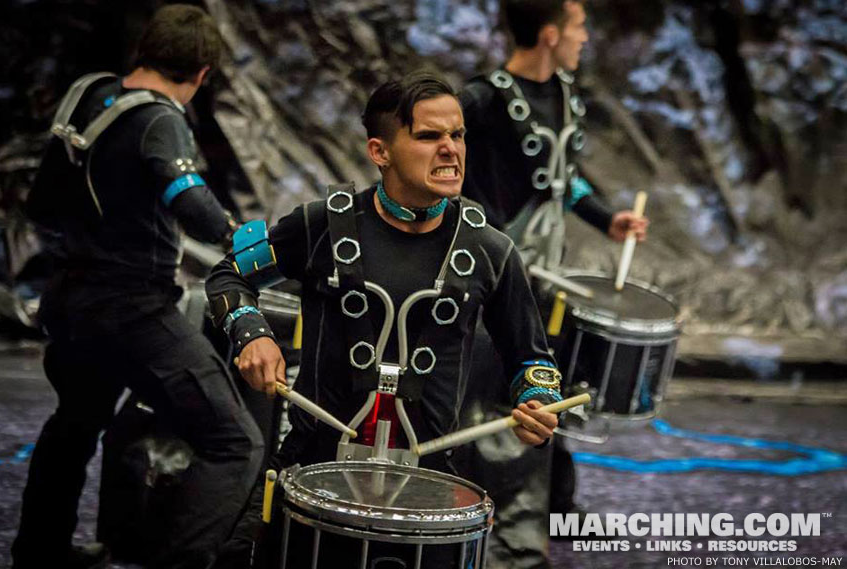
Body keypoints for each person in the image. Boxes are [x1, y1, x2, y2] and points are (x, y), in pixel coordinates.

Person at [206, 70, 562, 568]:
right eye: (429, 136)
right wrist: (252, 333)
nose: (451, 149)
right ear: (380, 152)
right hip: (311, 469)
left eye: (457, 135)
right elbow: (228, 276)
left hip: (430, 483)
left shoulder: (492, 250)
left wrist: (539, 402)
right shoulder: (319, 226)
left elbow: (533, 360)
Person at [13, 5, 264, 569]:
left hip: (69, 299)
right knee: (235, 442)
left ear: (142, 51)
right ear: (202, 74)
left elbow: (39, 202)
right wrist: (246, 240)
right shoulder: (161, 119)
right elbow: (192, 205)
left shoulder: (87, 94)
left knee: (75, 422)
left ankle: (37, 555)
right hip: (131, 308)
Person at [458, 1, 649, 567]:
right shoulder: (481, 99)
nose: (585, 38)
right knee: (482, 392)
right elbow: (439, 163)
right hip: (494, 271)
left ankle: (559, 505)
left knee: (547, 385)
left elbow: (565, 181)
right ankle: (474, 512)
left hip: (548, 270)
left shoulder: (566, 94)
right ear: (548, 34)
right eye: (579, 27)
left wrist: (607, 218)